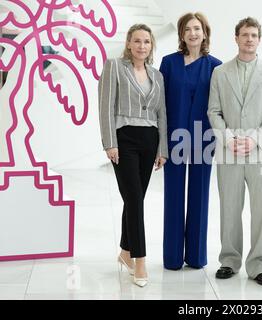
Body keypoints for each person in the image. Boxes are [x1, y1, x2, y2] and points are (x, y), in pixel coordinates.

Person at [208, 17, 262, 286]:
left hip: (261, 152)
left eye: (253, 35)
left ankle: (260, 265)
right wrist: (228, 139)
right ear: (236, 38)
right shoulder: (220, 72)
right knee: (229, 208)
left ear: (259, 39)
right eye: (244, 34)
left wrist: (254, 140)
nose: (249, 39)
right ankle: (229, 261)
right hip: (229, 151)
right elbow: (213, 111)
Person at [98, 24, 168, 287]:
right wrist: (109, 143)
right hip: (124, 139)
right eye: (137, 41)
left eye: (146, 42)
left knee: (134, 198)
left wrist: (162, 149)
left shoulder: (157, 75)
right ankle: (139, 258)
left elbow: (162, 113)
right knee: (135, 199)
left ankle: (125, 252)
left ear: (151, 46)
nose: (141, 46)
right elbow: (105, 106)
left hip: (149, 140)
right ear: (129, 43)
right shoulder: (114, 66)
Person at [159, 12, 222, 270]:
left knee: (200, 196)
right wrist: (159, 142)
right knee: (173, 197)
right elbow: (160, 106)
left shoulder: (216, 66)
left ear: (205, 33)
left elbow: (219, 105)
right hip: (174, 137)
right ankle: (172, 258)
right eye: (187, 29)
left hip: (204, 138)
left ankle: (196, 256)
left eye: (197, 29)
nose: (193, 33)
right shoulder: (168, 63)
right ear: (182, 35)